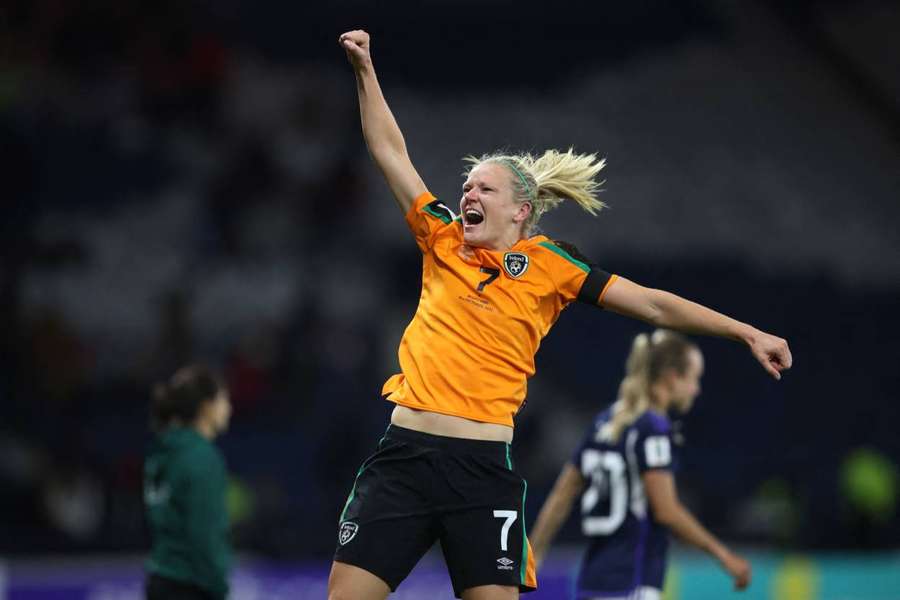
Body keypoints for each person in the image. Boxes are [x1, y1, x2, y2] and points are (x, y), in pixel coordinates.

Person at [330, 29, 791, 600]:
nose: (468, 193)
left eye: (484, 189)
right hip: (402, 458)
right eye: (466, 185)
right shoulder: (442, 239)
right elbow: (390, 152)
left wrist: (745, 331)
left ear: (521, 211)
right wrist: (365, 71)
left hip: (481, 470)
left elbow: (651, 302)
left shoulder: (552, 265)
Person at [529, 330, 751, 600]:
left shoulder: (604, 423)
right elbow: (666, 511)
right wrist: (724, 555)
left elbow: (561, 496)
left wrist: (534, 555)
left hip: (592, 582)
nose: (696, 389)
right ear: (672, 377)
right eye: (694, 379)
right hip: (632, 581)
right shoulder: (653, 428)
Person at [144, 365, 233, 600]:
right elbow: (203, 535)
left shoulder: (161, 451)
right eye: (224, 399)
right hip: (192, 585)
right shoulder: (202, 456)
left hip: (159, 579)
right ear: (206, 406)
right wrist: (219, 589)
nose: (229, 408)